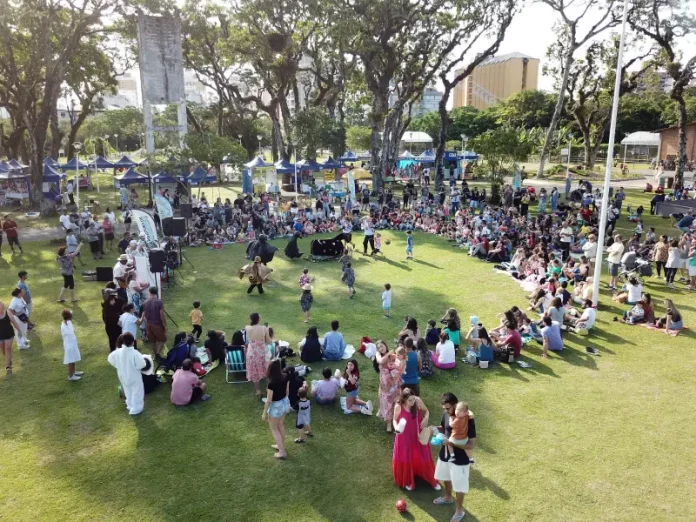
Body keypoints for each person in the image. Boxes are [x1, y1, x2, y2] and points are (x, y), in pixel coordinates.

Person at [433, 392, 476, 521]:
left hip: (460, 459)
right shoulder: (446, 414)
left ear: (456, 405)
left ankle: (459, 510)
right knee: (446, 477)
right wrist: (434, 428)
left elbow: (471, 444)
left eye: (448, 408)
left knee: (459, 485)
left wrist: (451, 443)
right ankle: (448, 497)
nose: (446, 411)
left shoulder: (468, 420)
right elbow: (444, 428)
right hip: (446, 454)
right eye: (444, 408)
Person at [392, 388, 439, 491]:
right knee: (406, 456)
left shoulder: (417, 401)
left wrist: (426, 418)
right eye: (410, 400)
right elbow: (395, 420)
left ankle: (432, 479)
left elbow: (426, 411)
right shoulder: (398, 406)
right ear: (404, 399)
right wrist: (396, 428)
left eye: (413, 399)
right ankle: (408, 480)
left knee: (423, 453)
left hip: (417, 433)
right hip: (404, 435)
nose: (413, 402)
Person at [107, 333, 149, 415]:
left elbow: (110, 358)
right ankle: (136, 408)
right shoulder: (134, 353)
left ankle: (130, 405)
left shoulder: (117, 352)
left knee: (127, 390)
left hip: (122, 375)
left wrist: (117, 365)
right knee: (137, 391)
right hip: (134, 376)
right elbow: (142, 364)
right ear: (132, 342)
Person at [245, 312, 272, 397]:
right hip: (262, 353)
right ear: (259, 319)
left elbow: (251, 326)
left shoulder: (247, 328)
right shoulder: (264, 328)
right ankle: (268, 387)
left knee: (254, 371)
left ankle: (258, 391)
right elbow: (268, 341)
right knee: (266, 370)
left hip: (252, 353)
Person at [378, 351, 404, 432]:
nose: (391, 363)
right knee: (388, 407)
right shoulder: (383, 368)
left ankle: (395, 420)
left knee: (396, 405)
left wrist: (397, 371)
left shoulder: (396, 367)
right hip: (386, 392)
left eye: (393, 361)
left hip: (395, 391)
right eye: (389, 361)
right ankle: (389, 423)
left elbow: (398, 377)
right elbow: (381, 361)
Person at [142, 287, 167, 357]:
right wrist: (165, 325)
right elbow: (162, 314)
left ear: (149, 292)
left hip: (148, 324)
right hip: (157, 324)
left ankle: (155, 354)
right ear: (157, 292)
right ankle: (158, 353)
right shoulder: (159, 302)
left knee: (153, 341)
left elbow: (144, 315)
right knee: (163, 339)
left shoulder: (145, 302)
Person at [60, 309, 83, 381]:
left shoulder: (68, 323)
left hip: (72, 343)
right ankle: (71, 376)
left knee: (73, 358)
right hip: (69, 345)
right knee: (70, 360)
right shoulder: (65, 325)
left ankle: (74, 372)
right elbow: (70, 332)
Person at [0, 298, 19, 374]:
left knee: (7, 349)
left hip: (9, 334)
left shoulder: (7, 313)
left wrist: (19, 331)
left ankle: (8, 367)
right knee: (3, 350)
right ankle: (9, 360)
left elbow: (14, 322)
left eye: (1, 305)